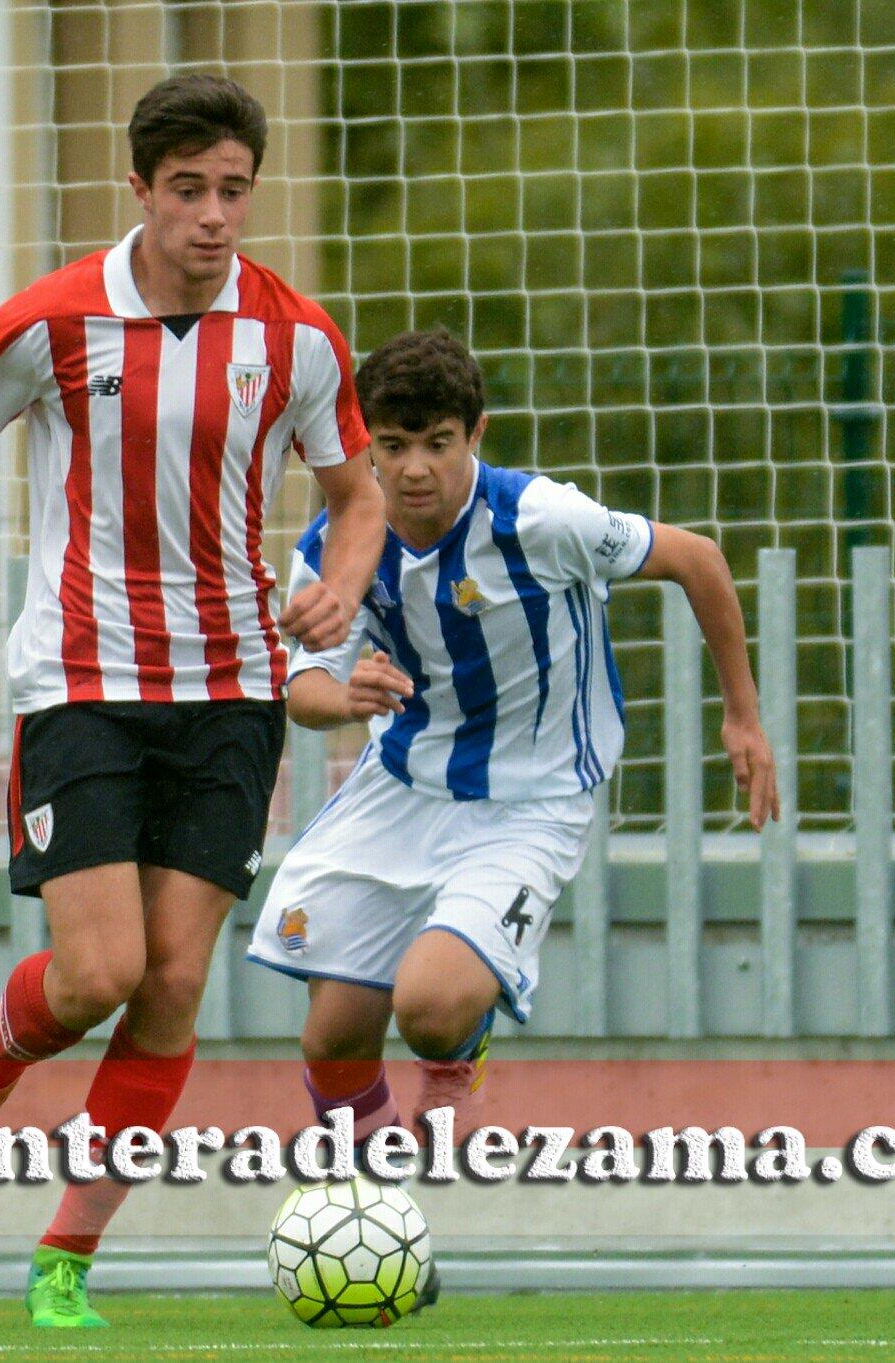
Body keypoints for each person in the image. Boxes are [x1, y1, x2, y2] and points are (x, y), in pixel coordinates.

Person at [0, 74, 386, 1328]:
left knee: (172, 983)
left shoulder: (298, 340)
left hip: (231, 690)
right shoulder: (54, 320)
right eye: (188, 192)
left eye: (233, 191)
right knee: (96, 974)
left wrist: (338, 586)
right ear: (139, 191)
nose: (213, 218)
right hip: (81, 684)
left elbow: (359, 489)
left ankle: (66, 1255)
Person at [246, 328, 778, 1258]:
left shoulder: (541, 518)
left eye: (438, 443)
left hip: (531, 798)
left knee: (430, 1002)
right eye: (394, 445)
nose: (415, 469)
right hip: (403, 784)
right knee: (331, 1036)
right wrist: (347, 697)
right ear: (365, 441)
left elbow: (699, 560)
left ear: (474, 434)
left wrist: (743, 716)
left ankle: (461, 1039)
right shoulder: (335, 546)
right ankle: (377, 1225)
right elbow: (302, 688)